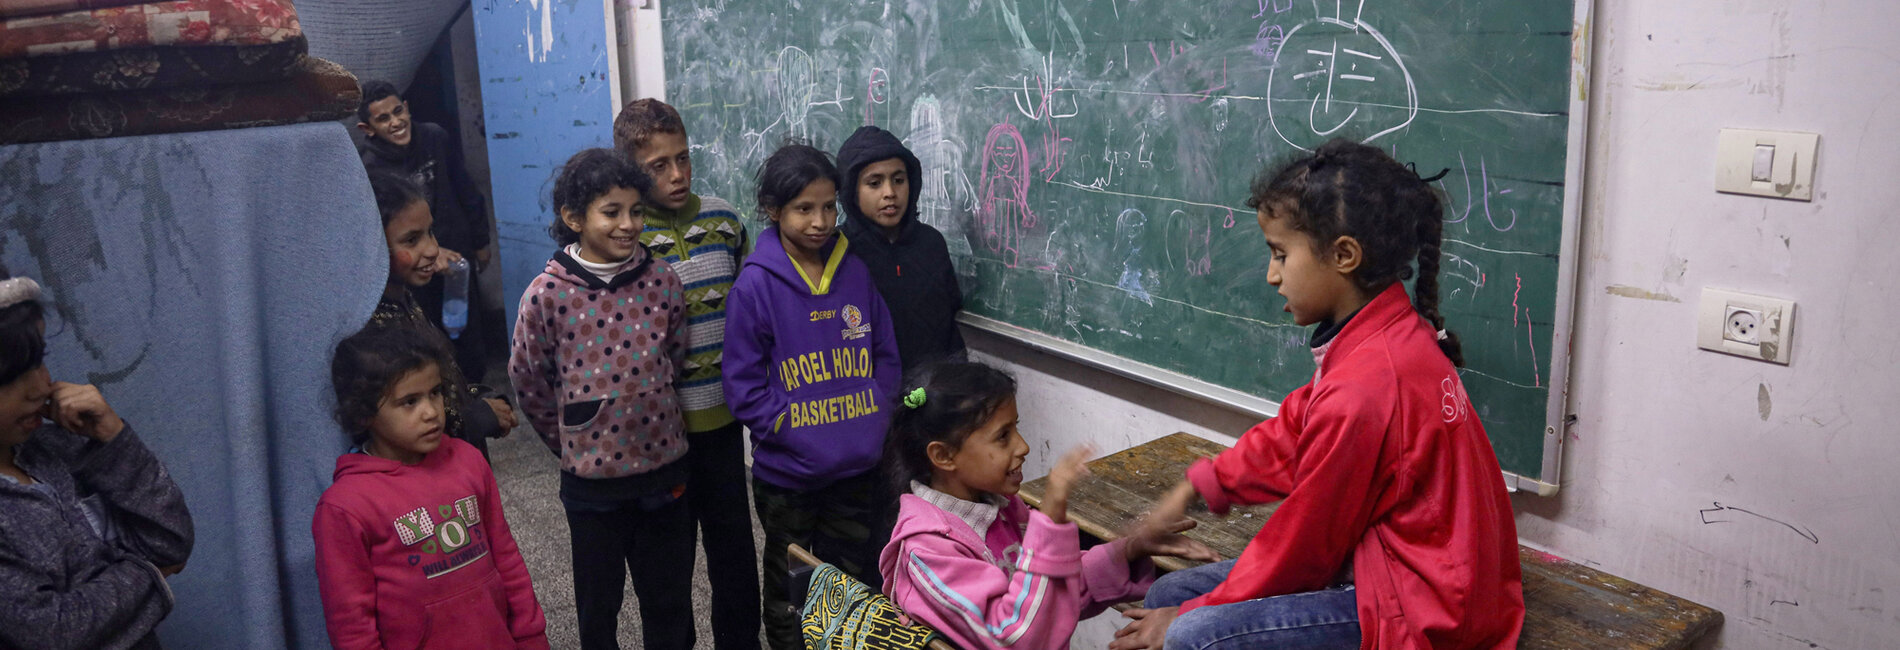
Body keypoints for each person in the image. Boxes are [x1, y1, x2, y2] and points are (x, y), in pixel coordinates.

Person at [1110, 139, 1524, 649]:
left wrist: (1190, 617)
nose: (1271, 275)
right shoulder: (1378, 334)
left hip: (1426, 608)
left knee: (1190, 635)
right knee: (1167, 592)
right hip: (1398, 566)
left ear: (1344, 255)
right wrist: (1198, 485)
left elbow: (1305, 548)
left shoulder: (1365, 389)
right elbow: (1294, 431)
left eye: (1281, 254)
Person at [879, 362, 1215, 650]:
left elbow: (1050, 594)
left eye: (1017, 428)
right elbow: (1019, 638)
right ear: (944, 456)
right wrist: (1051, 515)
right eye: (1003, 436)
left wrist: (1127, 549)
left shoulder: (1001, 509)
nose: (1023, 446)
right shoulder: (929, 551)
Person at [507, 148, 695, 650]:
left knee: (670, 602)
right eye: (611, 212)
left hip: (664, 470)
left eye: (636, 211)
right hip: (593, 487)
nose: (628, 224)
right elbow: (529, 379)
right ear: (574, 218)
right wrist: (573, 439)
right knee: (598, 608)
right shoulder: (546, 294)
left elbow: (676, 352)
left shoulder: (662, 280)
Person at [721, 142, 900, 650]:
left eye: (828, 206)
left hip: (856, 470)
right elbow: (744, 387)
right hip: (790, 478)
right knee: (791, 593)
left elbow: (885, 354)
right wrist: (795, 431)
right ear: (774, 211)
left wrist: (873, 419)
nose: (820, 221)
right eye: (804, 209)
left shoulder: (855, 272)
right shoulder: (755, 287)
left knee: (847, 589)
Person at [613, 98, 760, 649]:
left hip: (723, 427)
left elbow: (750, 314)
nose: (676, 174)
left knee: (734, 556)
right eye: (658, 166)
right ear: (632, 169)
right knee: (668, 571)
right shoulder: (627, 236)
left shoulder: (723, 221)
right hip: (661, 439)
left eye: (683, 158)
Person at [314, 326, 548, 649]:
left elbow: (507, 559)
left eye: (434, 393)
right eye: (409, 402)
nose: (431, 412)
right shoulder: (345, 507)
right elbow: (351, 623)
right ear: (365, 412)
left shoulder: (468, 461)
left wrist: (530, 636)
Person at [0, 267, 194, 650]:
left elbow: (171, 540)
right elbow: (54, 632)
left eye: (39, 360)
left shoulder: (54, 448)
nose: (41, 387)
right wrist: (149, 574)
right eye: (10, 376)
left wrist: (113, 438)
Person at [366, 171, 516, 458]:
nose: (433, 249)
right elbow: (408, 417)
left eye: (430, 232)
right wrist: (477, 417)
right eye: (411, 240)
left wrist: (477, 396)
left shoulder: (404, 297)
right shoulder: (373, 327)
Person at [358, 79, 496, 384]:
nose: (396, 123)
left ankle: (477, 399)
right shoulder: (368, 169)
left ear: (406, 108)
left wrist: (480, 240)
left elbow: (465, 188)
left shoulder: (434, 137)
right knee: (430, 341)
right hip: (414, 275)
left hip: (457, 262)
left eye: (398, 111)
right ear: (367, 128)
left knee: (469, 340)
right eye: (383, 118)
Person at [835, 125, 967, 380]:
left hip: (932, 395)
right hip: (869, 398)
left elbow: (949, 323)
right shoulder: (838, 251)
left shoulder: (931, 244)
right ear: (852, 191)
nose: (890, 193)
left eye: (899, 180)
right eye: (874, 183)